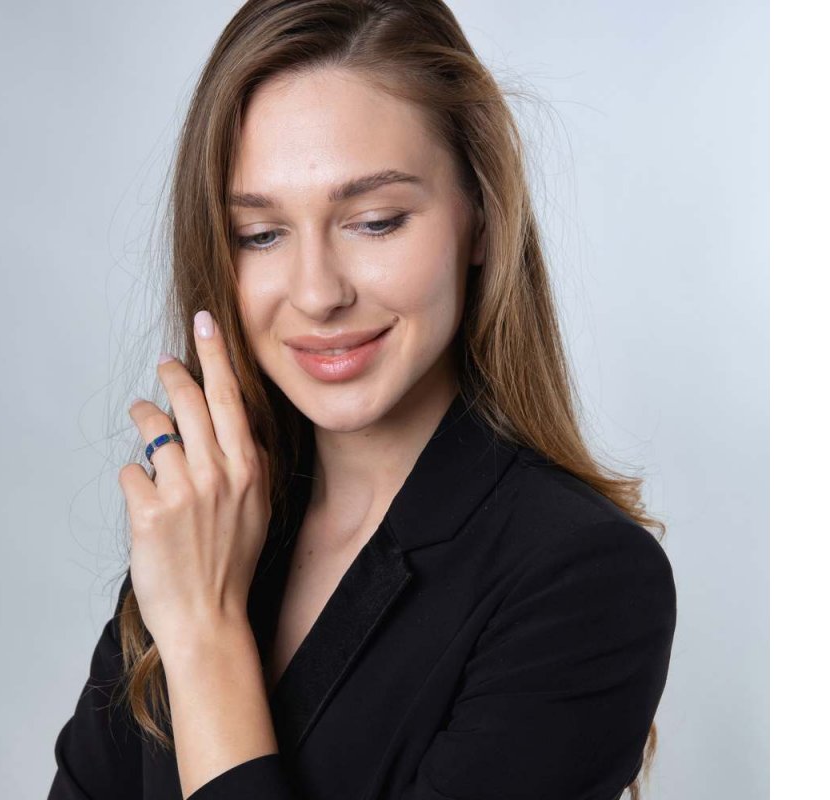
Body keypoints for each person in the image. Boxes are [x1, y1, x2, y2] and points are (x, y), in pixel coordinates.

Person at [47, 1, 677, 799]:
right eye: (260, 234)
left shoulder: (582, 578)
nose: (317, 293)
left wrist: (205, 636)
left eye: (375, 222)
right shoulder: (204, 520)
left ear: (481, 219)